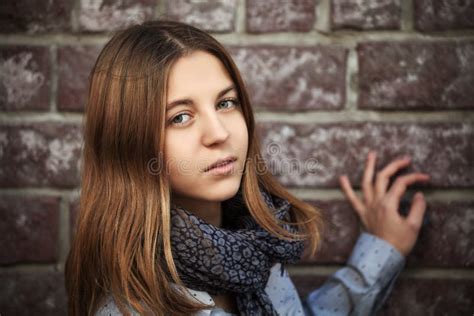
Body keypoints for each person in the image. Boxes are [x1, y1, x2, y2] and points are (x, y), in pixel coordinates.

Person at [65, 19, 431, 316]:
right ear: (127, 143)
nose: (219, 133)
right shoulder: (134, 307)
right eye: (180, 117)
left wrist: (381, 250)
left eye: (225, 103)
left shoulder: (252, 244)